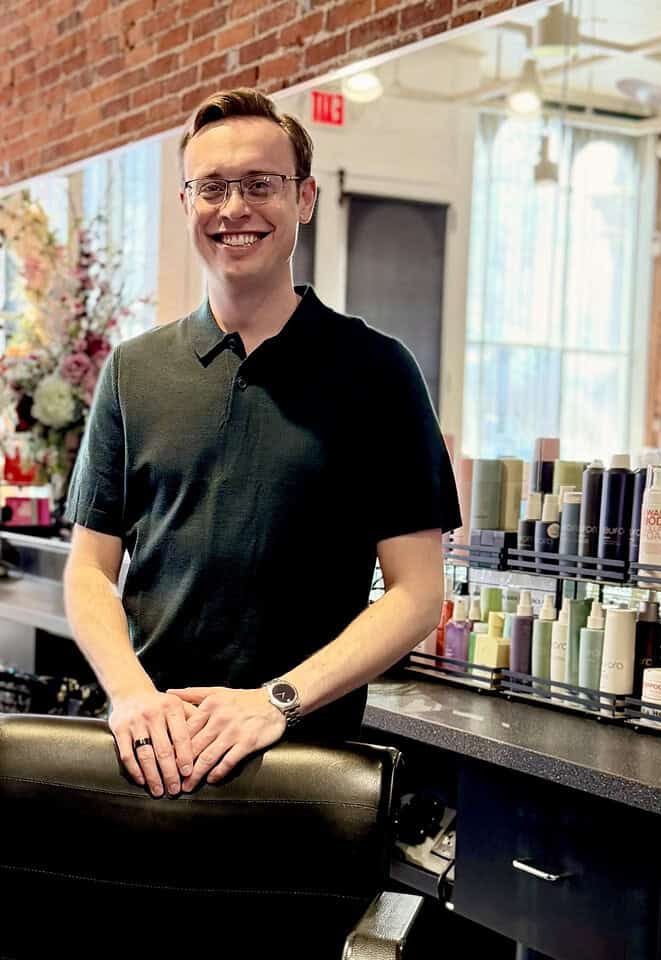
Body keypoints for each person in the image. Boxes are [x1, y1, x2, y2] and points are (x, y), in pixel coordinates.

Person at [63, 88, 460, 799]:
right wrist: (131, 695)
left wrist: (276, 700)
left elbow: (417, 592)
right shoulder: (133, 371)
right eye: (212, 187)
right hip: (150, 758)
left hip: (303, 768)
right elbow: (91, 569)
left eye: (260, 184)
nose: (234, 208)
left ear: (304, 198)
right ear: (186, 202)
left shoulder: (378, 373)